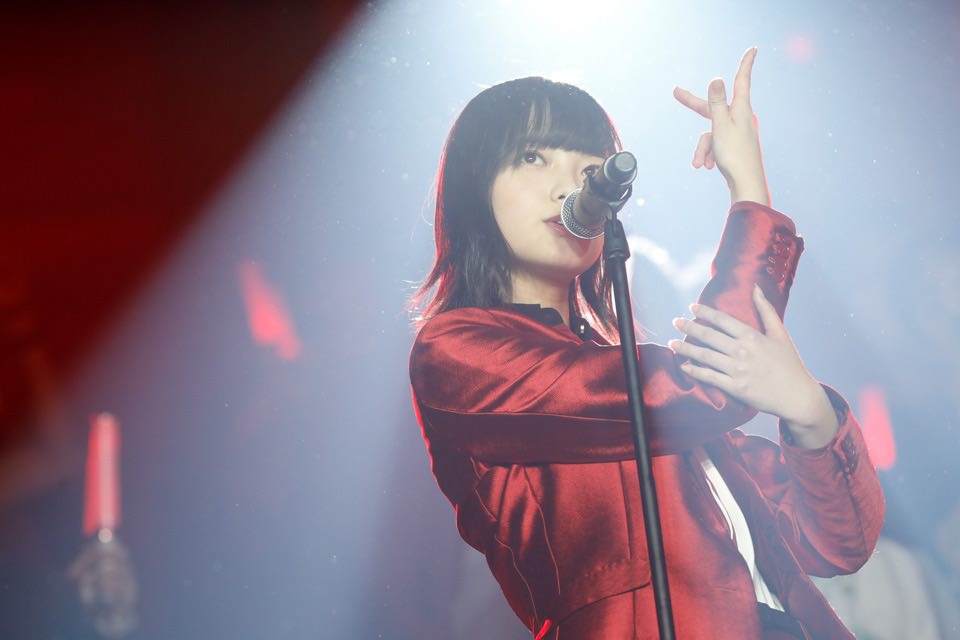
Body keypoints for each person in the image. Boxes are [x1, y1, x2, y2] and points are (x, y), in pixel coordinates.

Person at [408, 49, 884, 639]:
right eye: (533, 157)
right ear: (475, 185)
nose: (569, 183)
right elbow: (701, 390)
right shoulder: (460, 353)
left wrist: (812, 414)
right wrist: (750, 196)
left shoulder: (631, 380)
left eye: (590, 166)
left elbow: (835, 544)